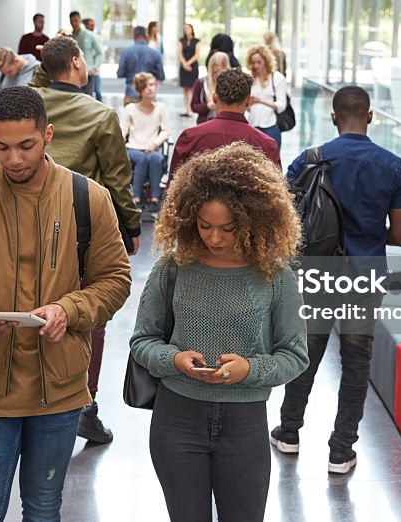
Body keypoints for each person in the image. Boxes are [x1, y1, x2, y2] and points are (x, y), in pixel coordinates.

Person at [0, 86, 131, 521]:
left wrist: (69, 309)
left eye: (26, 146)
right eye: (1, 147)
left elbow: (115, 280)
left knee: (43, 510)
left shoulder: (88, 198)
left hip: (58, 395)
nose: (14, 159)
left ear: (48, 134)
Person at [130, 142, 309, 522]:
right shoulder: (172, 269)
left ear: (253, 220)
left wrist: (250, 370)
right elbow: (142, 340)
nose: (214, 238)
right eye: (204, 225)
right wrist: (174, 359)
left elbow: (295, 355)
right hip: (176, 419)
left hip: (245, 424)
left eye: (228, 228)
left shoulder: (275, 276)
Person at [271, 85, 401, 476]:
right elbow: (400, 236)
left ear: (334, 117)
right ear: (370, 116)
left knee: (306, 352)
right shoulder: (394, 166)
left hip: (316, 272)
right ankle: (340, 449)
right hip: (364, 276)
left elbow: (283, 221)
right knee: (355, 360)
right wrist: (366, 236)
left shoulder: (309, 160)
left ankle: (289, 432)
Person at [34, 35, 142, 443]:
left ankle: (37, 399)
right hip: (81, 229)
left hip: (26, 223)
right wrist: (130, 227)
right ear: (78, 62)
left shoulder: (30, 104)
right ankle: (84, 404)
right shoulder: (99, 115)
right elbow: (117, 180)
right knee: (88, 314)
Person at [168, 68, 280, 184]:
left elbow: (172, 188)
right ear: (247, 101)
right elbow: (277, 192)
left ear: (215, 97)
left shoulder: (190, 138)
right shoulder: (266, 145)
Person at [122, 72, 170, 208]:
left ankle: (155, 198)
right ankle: (136, 197)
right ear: (140, 89)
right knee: (143, 159)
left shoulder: (161, 108)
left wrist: (155, 143)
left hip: (152, 147)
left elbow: (166, 130)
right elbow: (123, 130)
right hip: (133, 148)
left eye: (152, 85)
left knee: (155, 158)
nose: (151, 88)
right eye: (147, 86)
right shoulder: (130, 109)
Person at [245, 44, 289, 150]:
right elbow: (247, 108)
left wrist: (260, 101)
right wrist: (248, 103)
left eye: (259, 62)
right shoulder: (250, 79)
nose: (256, 66)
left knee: (271, 163)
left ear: (266, 61)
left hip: (271, 126)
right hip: (252, 125)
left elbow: (282, 105)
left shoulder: (277, 78)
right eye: (253, 62)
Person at [118, 26, 165, 105]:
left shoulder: (126, 52)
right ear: (146, 36)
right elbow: (161, 76)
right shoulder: (155, 53)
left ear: (134, 36)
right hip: (149, 97)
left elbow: (120, 73)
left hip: (131, 93)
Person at [70, 10, 104, 101]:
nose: (74, 23)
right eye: (72, 21)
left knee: (88, 99)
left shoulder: (90, 36)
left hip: (88, 73)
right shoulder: (70, 37)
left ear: (79, 20)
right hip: (74, 75)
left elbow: (100, 53)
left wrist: (95, 67)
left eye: (76, 20)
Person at [191, 52, 230, 124]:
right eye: (214, 72)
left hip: (224, 123)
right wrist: (207, 106)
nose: (216, 76)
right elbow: (194, 106)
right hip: (204, 122)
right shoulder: (201, 83)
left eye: (220, 72)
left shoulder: (231, 85)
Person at [178, 23, 201, 117]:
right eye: (185, 29)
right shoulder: (181, 41)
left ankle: (190, 109)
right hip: (183, 67)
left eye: (188, 28)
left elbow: (196, 55)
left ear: (192, 29)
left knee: (191, 88)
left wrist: (188, 64)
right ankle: (186, 109)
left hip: (193, 67)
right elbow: (179, 53)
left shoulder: (197, 41)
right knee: (185, 88)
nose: (186, 30)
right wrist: (184, 64)